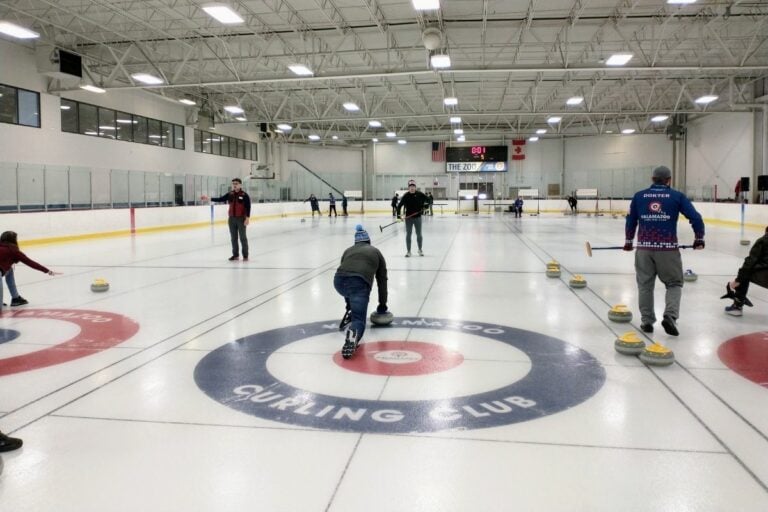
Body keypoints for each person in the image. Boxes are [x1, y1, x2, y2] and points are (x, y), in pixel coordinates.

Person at [624, 166, 705, 336]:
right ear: (669, 180)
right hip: (667, 249)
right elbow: (695, 217)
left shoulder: (639, 196)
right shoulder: (676, 196)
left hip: (644, 249)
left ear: (652, 179)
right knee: (674, 283)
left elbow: (631, 220)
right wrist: (699, 238)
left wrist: (629, 241)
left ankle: (647, 321)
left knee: (645, 285)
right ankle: (670, 316)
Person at [334, 225, 388, 359]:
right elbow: (382, 281)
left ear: (355, 242)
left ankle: (351, 310)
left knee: (349, 288)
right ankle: (353, 335)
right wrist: (382, 305)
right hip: (359, 283)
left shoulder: (348, 250)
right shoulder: (376, 252)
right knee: (359, 320)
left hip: (338, 281)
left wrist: (349, 305)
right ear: (369, 241)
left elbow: (345, 273)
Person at [1, 231, 60, 314]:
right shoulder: (13, 250)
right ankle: (15, 298)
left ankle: (15, 298)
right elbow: (30, 262)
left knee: (9, 270)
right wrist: (47, 271)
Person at [721, 226, 768, 316]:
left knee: (745, 273)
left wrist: (738, 280)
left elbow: (750, 262)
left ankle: (737, 306)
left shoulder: (763, 241)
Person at [206, 178, 251, 261]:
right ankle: (235, 255)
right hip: (231, 219)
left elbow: (248, 207)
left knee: (243, 238)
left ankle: (245, 256)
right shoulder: (230, 194)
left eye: (236, 183)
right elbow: (220, 199)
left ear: (240, 185)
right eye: (233, 183)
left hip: (241, 219)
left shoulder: (244, 195)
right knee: (233, 238)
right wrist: (209, 198)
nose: (234, 185)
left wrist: (247, 218)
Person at [397, 180, 428, 257]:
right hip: (409, 218)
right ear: (408, 187)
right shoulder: (406, 196)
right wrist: (398, 216)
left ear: (415, 187)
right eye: (410, 186)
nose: (412, 188)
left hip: (418, 218)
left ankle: (420, 250)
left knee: (419, 234)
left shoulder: (420, 194)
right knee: (408, 234)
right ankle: (408, 251)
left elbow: (429, 200)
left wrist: (425, 206)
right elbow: (399, 206)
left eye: (413, 186)